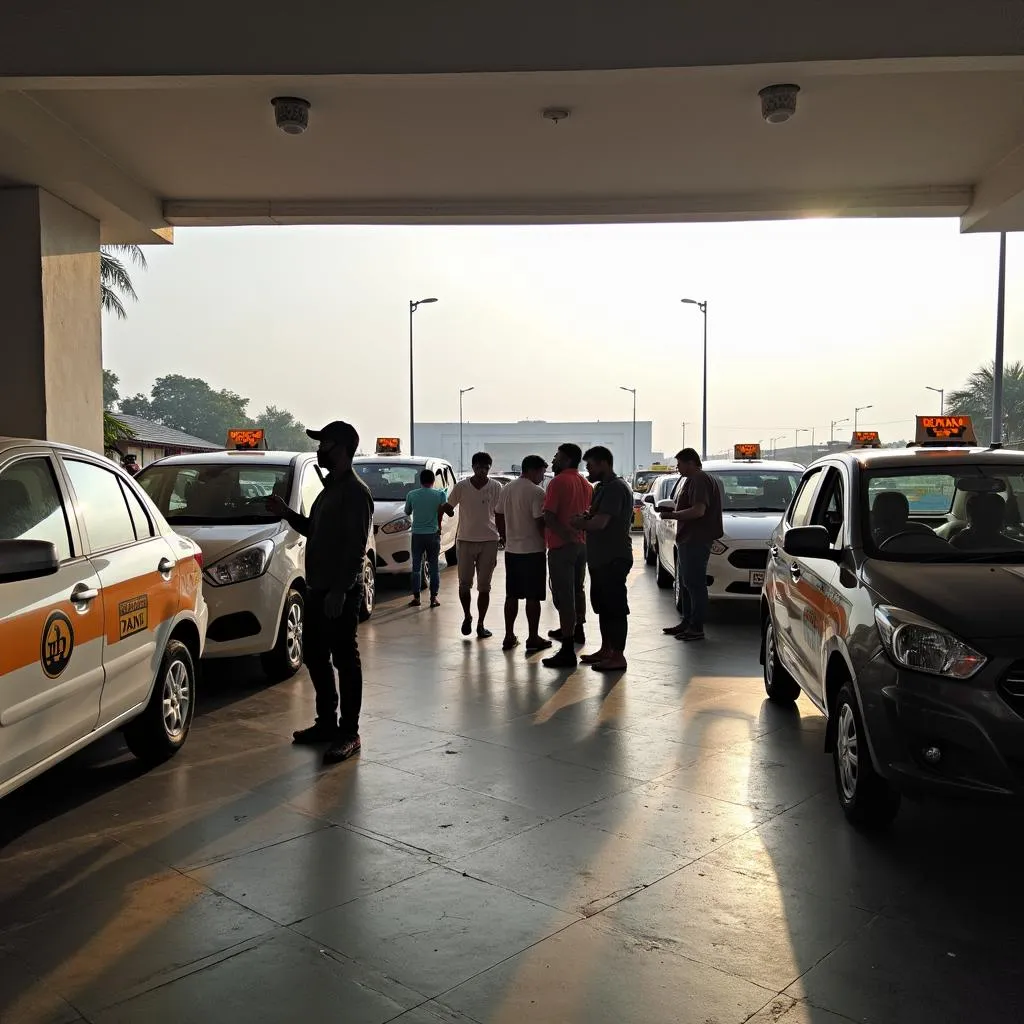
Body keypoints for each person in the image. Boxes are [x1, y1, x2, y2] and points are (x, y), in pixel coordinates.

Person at [267, 420, 373, 764]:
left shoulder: (355, 492)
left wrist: (340, 592)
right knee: (314, 656)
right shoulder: (330, 489)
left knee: (345, 659)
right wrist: (287, 514)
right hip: (318, 588)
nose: (319, 449)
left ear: (341, 448)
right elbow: (315, 530)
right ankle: (326, 722)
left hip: (338, 592)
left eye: (324, 443)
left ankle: (349, 732)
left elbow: (355, 549)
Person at [569, 446, 634, 672]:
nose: (588, 470)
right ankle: (607, 649)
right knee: (603, 606)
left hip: (613, 557)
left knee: (615, 608)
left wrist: (580, 523)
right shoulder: (601, 488)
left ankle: (618, 655)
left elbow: (601, 522)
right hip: (599, 558)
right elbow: (594, 516)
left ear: (605, 463)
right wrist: (585, 518)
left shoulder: (616, 488)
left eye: (591, 465)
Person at [661, 448, 723, 643]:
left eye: (679, 464)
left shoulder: (699, 480)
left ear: (690, 462)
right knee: (688, 583)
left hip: (696, 539)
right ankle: (687, 622)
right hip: (689, 539)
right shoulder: (695, 480)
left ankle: (696, 627)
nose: (678, 468)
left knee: (695, 584)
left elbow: (698, 511)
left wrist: (673, 515)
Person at [541, 442, 595, 669]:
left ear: (565, 460)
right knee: (577, 589)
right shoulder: (586, 484)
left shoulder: (558, 482)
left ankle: (566, 649)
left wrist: (566, 535)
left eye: (556, 457)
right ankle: (577, 629)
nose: (553, 461)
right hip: (582, 546)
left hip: (563, 547)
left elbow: (550, 516)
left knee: (564, 597)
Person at [440, 451, 503, 639]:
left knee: (484, 587)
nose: (482, 471)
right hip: (465, 540)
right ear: (473, 467)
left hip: (490, 541)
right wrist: (444, 516)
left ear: (489, 468)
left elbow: (500, 514)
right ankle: (467, 616)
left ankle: (481, 623)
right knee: (464, 585)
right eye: (478, 467)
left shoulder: (496, 487)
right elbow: (448, 506)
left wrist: (504, 536)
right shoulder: (461, 487)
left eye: (485, 468)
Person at [495, 454, 551, 652]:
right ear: (533, 470)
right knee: (532, 596)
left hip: (512, 551)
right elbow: (538, 521)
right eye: (542, 472)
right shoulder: (537, 492)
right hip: (533, 550)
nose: (543, 476)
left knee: (512, 595)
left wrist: (504, 536)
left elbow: (498, 513)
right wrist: (547, 539)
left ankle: (509, 635)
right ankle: (533, 637)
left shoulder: (506, 489)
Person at [404, 468, 447, 608]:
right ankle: (433, 598)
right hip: (433, 534)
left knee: (416, 567)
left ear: (420, 481)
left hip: (417, 534)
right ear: (433, 481)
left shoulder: (411, 494)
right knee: (434, 567)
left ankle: (416, 598)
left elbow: (407, 511)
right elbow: (443, 511)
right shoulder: (440, 494)